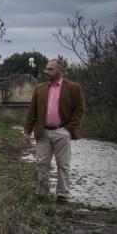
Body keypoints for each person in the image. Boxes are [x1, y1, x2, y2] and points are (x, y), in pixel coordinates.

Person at [24, 59, 86, 203]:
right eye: (46, 69)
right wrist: (27, 130)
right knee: (42, 163)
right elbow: (32, 110)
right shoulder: (40, 88)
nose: (46, 71)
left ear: (60, 70)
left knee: (63, 164)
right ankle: (41, 194)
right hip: (43, 132)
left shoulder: (73, 88)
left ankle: (62, 195)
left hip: (62, 131)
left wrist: (68, 129)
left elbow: (80, 109)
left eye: (50, 69)